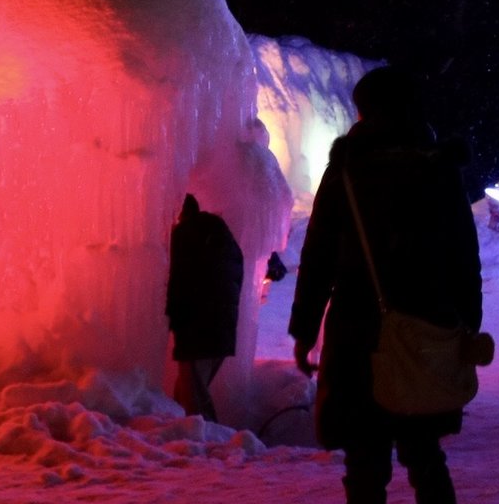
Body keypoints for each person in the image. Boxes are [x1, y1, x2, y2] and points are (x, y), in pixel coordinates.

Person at [290, 66, 482, 504]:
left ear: (365, 112)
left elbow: (317, 257)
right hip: (427, 325)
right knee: (425, 455)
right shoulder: (440, 168)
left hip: (359, 330)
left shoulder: (347, 171)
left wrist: (304, 331)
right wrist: (467, 327)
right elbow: (463, 259)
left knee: (364, 462)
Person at [164, 192, 245, 422]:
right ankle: (186, 438)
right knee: (187, 392)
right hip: (222, 329)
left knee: (195, 402)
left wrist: (174, 318)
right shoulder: (220, 236)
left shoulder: (185, 235)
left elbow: (179, 280)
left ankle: (211, 446)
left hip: (198, 329)